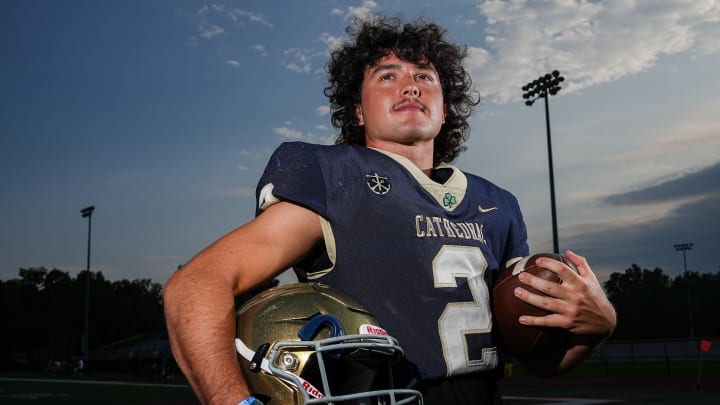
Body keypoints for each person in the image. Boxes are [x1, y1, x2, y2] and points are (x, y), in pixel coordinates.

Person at [163, 15, 616, 405]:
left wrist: (597, 327)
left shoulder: (497, 204)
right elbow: (196, 284)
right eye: (387, 75)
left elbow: (540, 358)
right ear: (358, 111)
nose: (410, 85)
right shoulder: (332, 176)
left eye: (424, 76)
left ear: (444, 111)